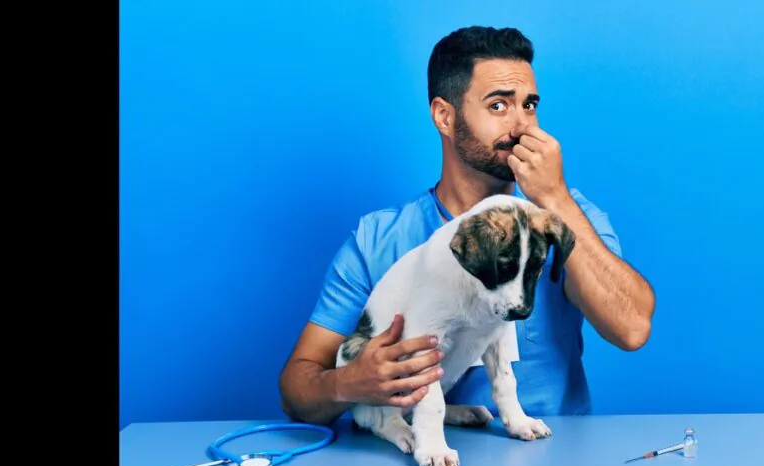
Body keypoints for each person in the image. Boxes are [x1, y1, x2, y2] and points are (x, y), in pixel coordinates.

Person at [279, 26, 655, 426]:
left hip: (552, 456)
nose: (522, 125)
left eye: (529, 105)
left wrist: (555, 199)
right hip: (419, 465)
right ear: (444, 116)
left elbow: (631, 329)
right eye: (498, 106)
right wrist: (349, 383)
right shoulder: (378, 239)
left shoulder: (565, 215)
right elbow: (296, 391)